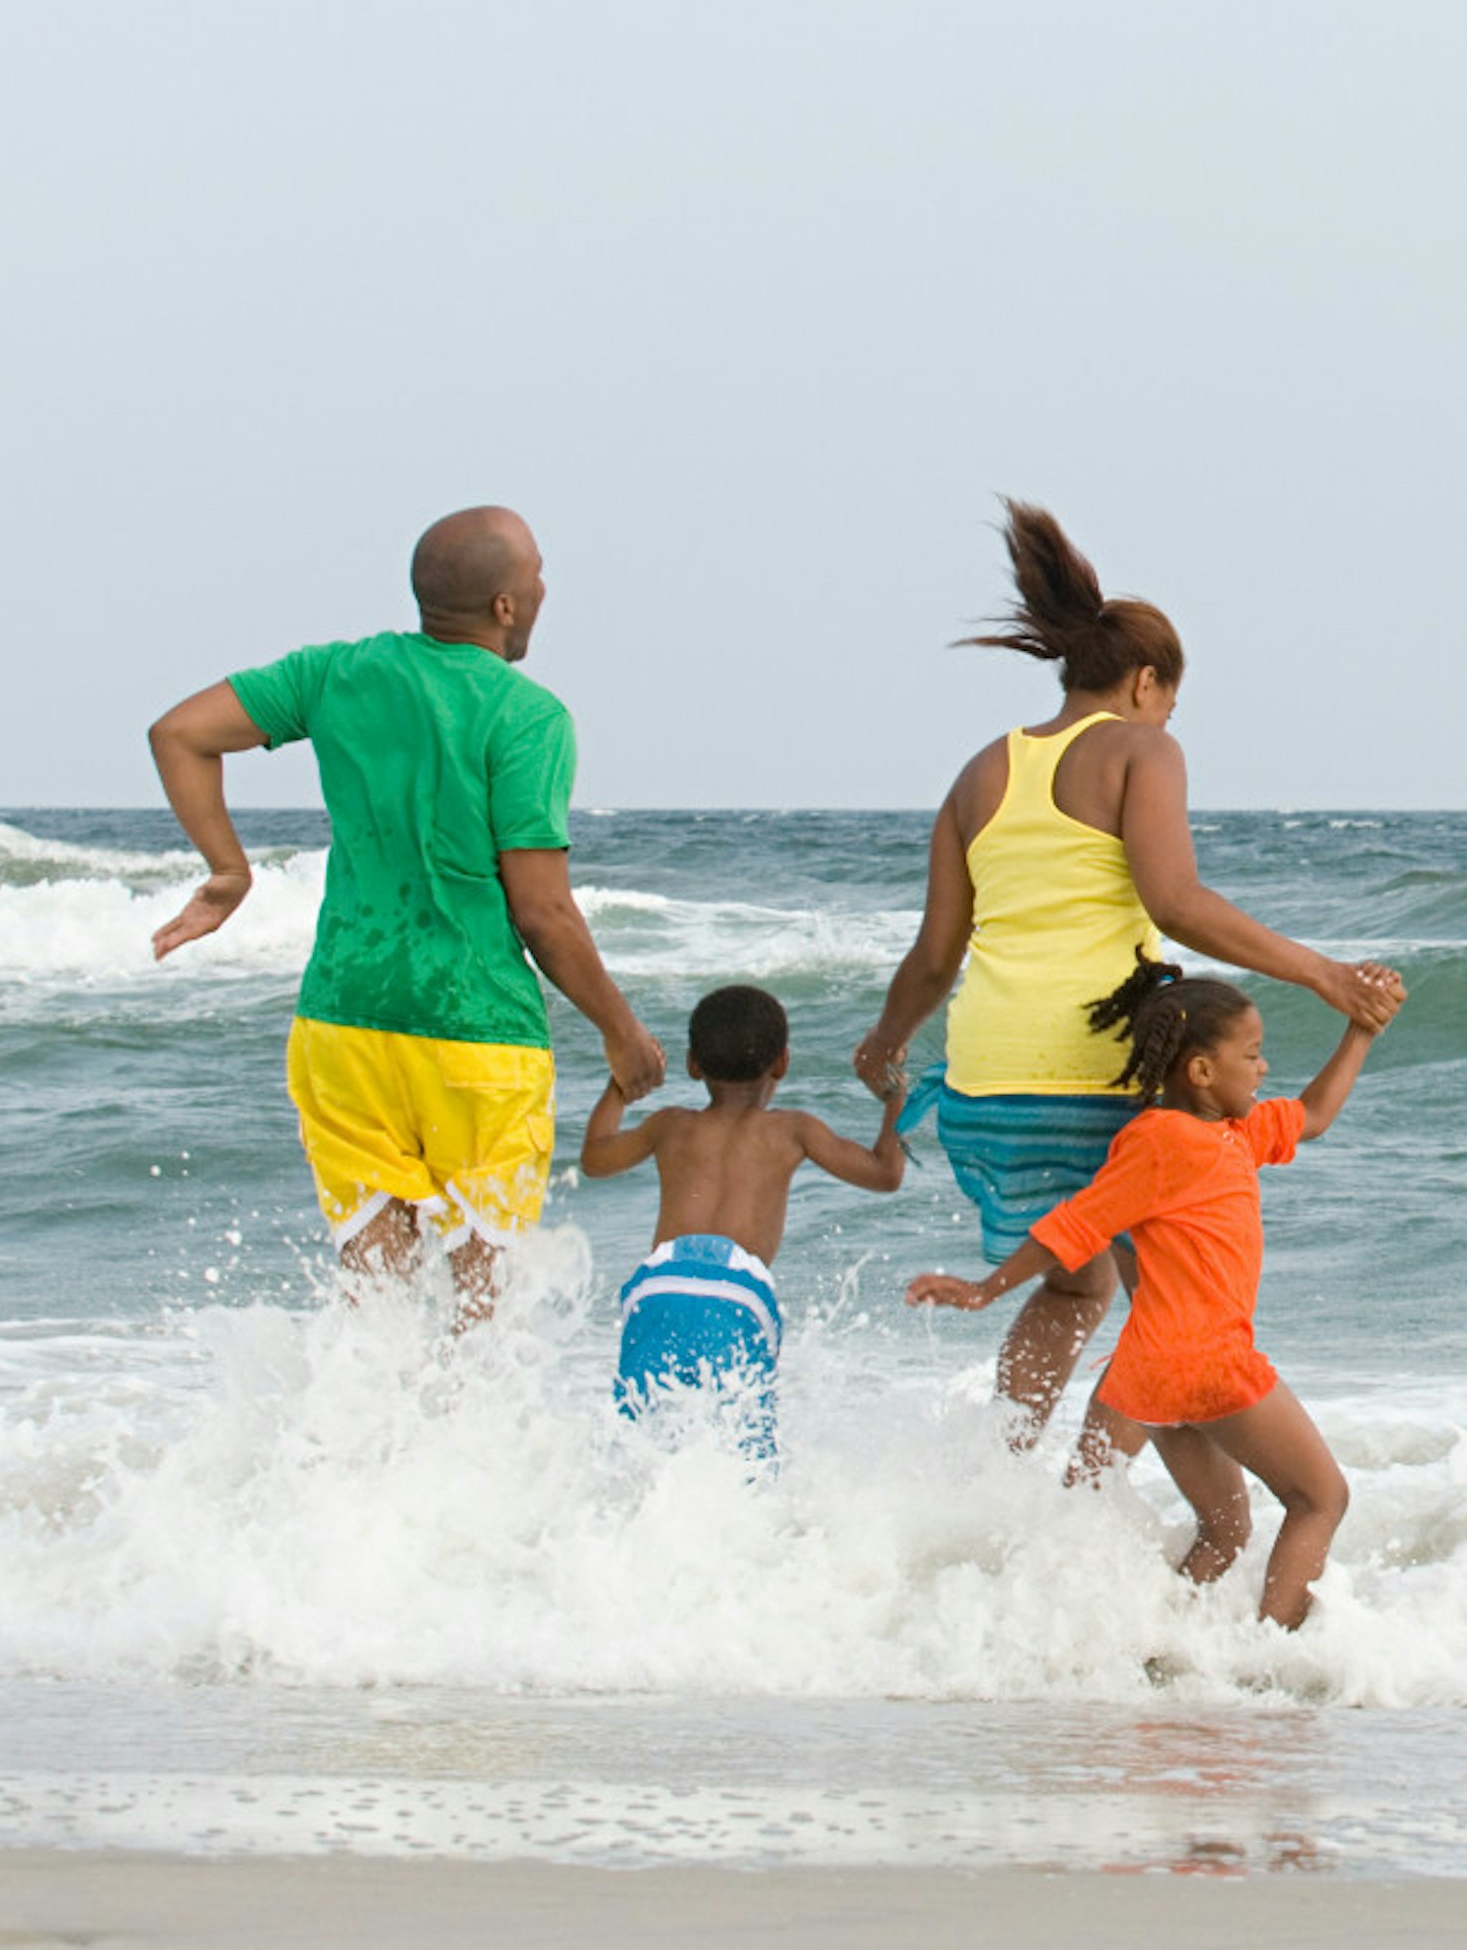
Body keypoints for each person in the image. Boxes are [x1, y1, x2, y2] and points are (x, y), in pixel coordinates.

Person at [847, 500, 1400, 1439]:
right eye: (1172, 700)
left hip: (984, 1093)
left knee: (1077, 1285)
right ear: (1147, 682)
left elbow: (937, 955)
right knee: (1172, 1313)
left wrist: (884, 1045)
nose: (1170, 717)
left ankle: (1006, 1475)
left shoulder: (979, 772)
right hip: (1097, 1080)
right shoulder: (1144, 749)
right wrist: (1322, 975)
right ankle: (1141, 1513)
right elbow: (1178, 900)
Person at [145, 505, 664, 1321]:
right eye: (535, 577)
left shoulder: (334, 674)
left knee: (373, 1287)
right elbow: (542, 912)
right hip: (478, 1034)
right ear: (505, 605)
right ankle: (465, 1445)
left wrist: (226, 870)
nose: (542, 590)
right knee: (483, 1300)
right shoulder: (528, 717)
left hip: (344, 1022)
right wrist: (622, 1032)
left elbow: (179, 733)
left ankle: (364, 1441)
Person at [908, 962, 1391, 1628]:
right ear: (1199, 1071)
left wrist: (1360, 1032)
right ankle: (1268, 1663)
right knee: (1321, 1499)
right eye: (1250, 1056)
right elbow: (1077, 1225)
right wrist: (986, 1290)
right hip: (1208, 1363)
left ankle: (1162, 1657)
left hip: (1157, 1378)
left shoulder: (1234, 1134)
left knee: (1225, 1531)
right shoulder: (1160, 1142)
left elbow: (1312, 1117)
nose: (1263, 1067)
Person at [581, 982, 907, 1456]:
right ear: (782, 1063)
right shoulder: (794, 1130)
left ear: (694, 1065)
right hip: (737, 1295)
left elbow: (594, 1157)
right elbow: (884, 1173)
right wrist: (894, 1090)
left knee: (635, 1443)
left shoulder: (669, 1124)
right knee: (744, 1454)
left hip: (657, 1290)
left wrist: (620, 1085)